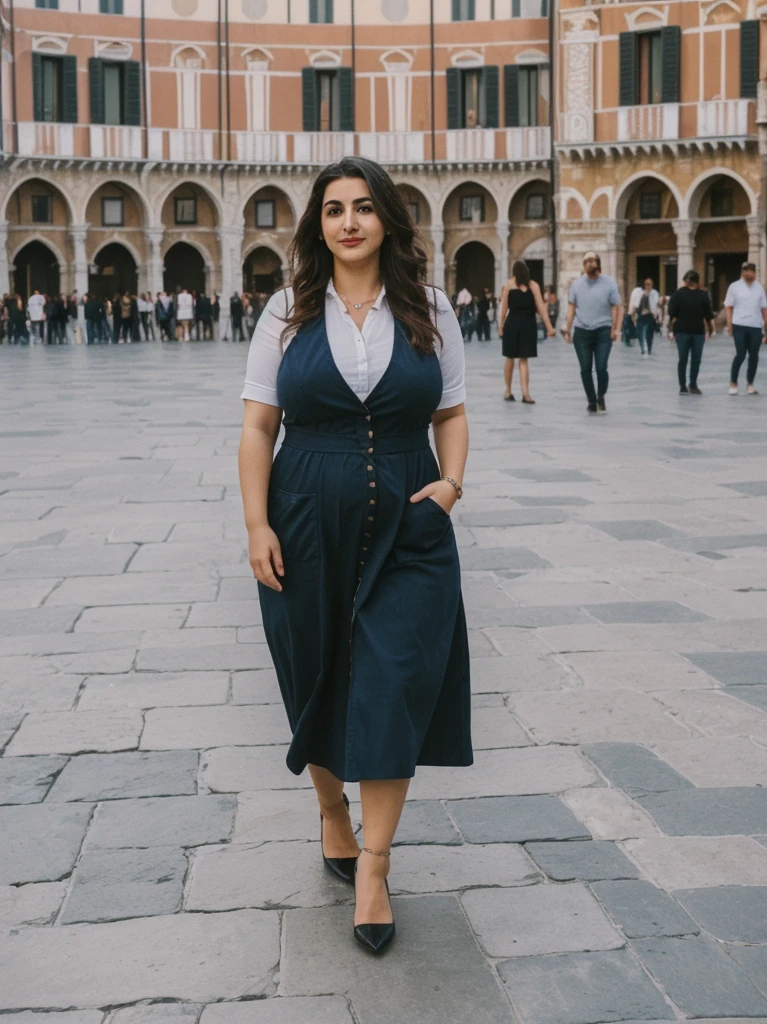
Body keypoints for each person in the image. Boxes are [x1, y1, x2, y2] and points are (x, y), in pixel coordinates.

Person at [238, 156, 472, 955]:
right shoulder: (286, 312)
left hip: (410, 524)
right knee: (317, 677)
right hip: (302, 519)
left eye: (364, 208)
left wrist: (451, 486)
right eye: (334, 209)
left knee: (393, 679)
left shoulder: (431, 308)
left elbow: (453, 411)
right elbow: (258, 426)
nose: (349, 222)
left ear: (387, 222)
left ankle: (373, 866)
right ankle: (333, 812)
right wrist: (255, 524)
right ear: (318, 224)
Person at [564, 252, 622, 415]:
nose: (588, 264)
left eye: (591, 260)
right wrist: (567, 328)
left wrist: (616, 329)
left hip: (603, 330)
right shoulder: (576, 285)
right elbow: (571, 308)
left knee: (602, 367)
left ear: (597, 263)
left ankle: (601, 395)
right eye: (585, 261)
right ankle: (591, 400)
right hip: (582, 331)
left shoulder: (609, 283)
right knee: (585, 369)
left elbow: (617, 306)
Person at [498, 260, 555, 404]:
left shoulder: (509, 285)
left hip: (513, 325)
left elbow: (503, 309)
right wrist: (549, 327)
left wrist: (501, 325)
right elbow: (541, 307)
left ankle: (509, 391)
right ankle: (524, 394)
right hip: (527, 324)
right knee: (521, 359)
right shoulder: (532, 285)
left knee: (511, 357)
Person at [667, 270, 714, 395]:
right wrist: (670, 330)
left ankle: (690, 384)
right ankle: (686, 385)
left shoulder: (701, 295)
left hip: (692, 331)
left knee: (691, 359)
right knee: (688, 358)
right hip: (686, 331)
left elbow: (708, 314)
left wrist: (709, 329)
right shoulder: (682, 294)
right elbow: (672, 313)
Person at [725, 261, 767, 396]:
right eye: (747, 271)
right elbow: (728, 306)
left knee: (754, 356)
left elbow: (764, 308)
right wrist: (729, 323)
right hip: (739, 324)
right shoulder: (734, 287)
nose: (750, 274)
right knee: (740, 354)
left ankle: (750, 383)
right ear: (743, 272)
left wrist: (766, 325)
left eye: (752, 271)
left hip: (755, 326)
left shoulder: (759, 288)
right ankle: (733, 382)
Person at [628, 276, 660, 357]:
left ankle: (649, 348)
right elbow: (635, 303)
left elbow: (656, 304)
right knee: (639, 332)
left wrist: (653, 313)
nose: (649, 286)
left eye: (650, 284)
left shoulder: (654, 293)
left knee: (649, 333)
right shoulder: (639, 292)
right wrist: (632, 313)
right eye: (647, 284)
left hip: (650, 316)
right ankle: (642, 348)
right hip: (640, 316)